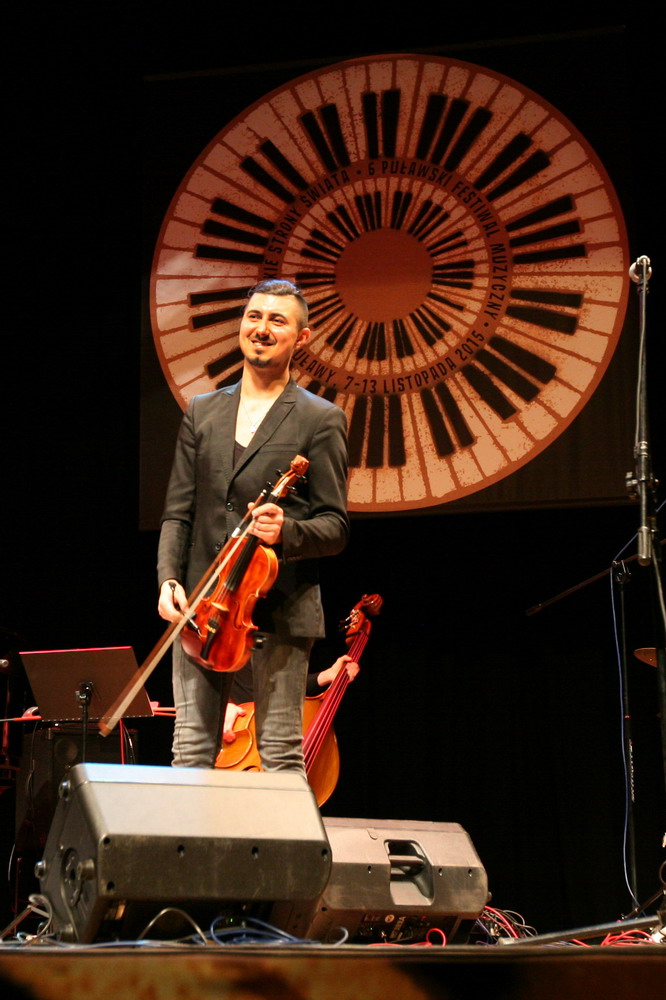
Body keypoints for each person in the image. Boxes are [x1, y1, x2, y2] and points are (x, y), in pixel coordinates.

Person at [156, 279, 349, 773]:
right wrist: (169, 579)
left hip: (279, 605)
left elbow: (335, 526)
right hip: (205, 605)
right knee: (191, 752)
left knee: (279, 755)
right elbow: (178, 511)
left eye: (277, 320)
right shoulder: (202, 411)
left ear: (301, 338)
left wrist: (287, 530)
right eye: (254, 316)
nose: (261, 329)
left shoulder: (320, 418)